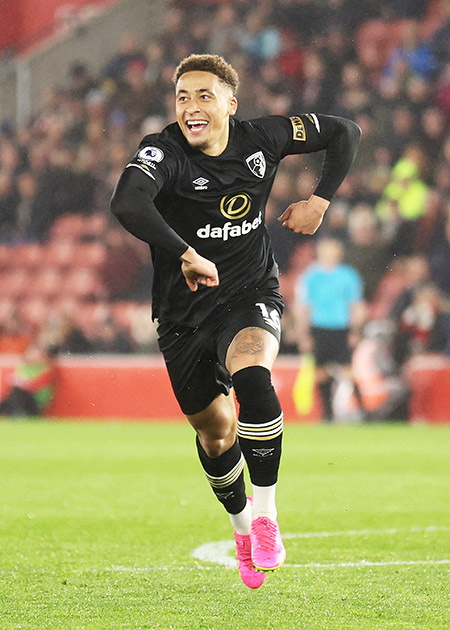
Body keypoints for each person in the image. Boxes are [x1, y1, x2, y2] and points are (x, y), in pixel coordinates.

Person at [110, 54, 361, 588]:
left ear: (230, 104)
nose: (191, 107)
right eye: (182, 97)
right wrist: (185, 253)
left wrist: (319, 201)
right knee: (216, 432)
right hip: (181, 314)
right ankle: (243, 528)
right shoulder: (163, 151)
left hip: (249, 293)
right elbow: (127, 202)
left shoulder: (262, 138)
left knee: (253, 375)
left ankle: (267, 516)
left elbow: (345, 131)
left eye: (204, 95)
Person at [294, 238, 366, 422]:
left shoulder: (348, 275)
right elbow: (303, 307)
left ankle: (363, 410)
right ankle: (328, 413)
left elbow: (356, 305)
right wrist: (304, 334)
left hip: (341, 328)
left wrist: (355, 331)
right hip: (319, 328)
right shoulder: (311, 277)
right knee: (321, 372)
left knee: (347, 369)